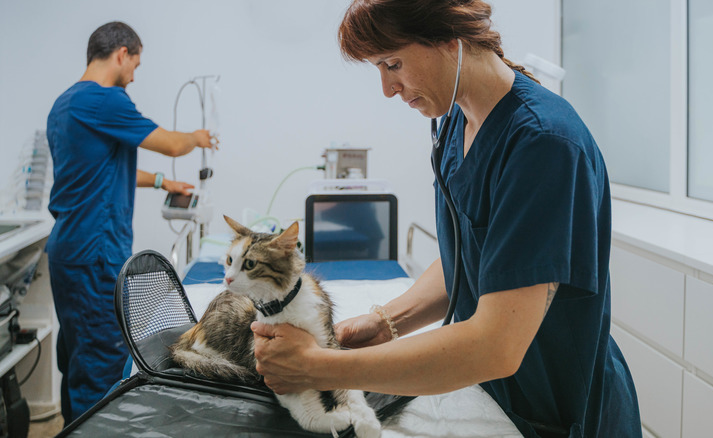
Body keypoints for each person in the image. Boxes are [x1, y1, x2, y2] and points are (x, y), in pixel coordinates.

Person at [251, 1, 641, 436]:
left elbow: (496, 346)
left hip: (554, 403)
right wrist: (386, 322)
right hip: (493, 392)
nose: (387, 88)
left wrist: (322, 368)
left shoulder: (542, 145)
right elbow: (475, 255)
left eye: (392, 64)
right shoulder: (454, 119)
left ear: (449, 40)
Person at [46, 21, 217, 424]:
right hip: (96, 253)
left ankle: (74, 425)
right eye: (136, 64)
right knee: (103, 360)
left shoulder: (63, 105)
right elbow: (173, 144)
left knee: (76, 354)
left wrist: (162, 181)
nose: (135, 75)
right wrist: (198, 137)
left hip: (66, 251)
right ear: (122, 53)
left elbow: (95, 168)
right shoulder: (107, 100)